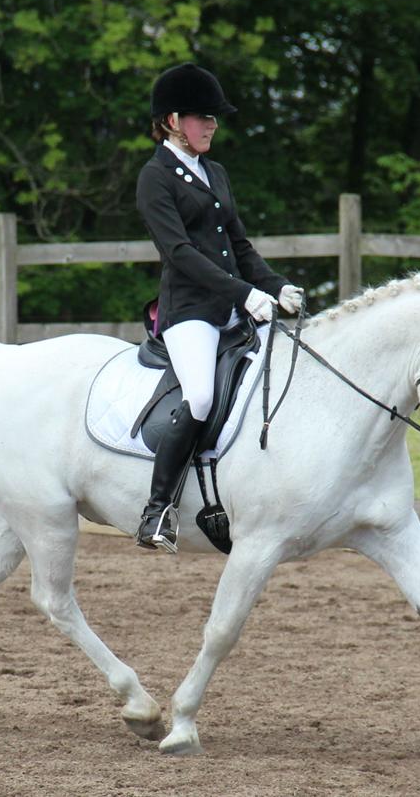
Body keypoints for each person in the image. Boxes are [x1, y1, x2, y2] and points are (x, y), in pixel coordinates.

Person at [135, 62, 304, 553]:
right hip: (189, 313)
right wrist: (244, 295)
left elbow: (239, 246)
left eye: (214, 117)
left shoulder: (216, 172)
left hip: (236, 306)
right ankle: (157, 510)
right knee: (202, 397)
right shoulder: (155, 178)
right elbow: (181, 254)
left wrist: (277, 286)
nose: (212, 124)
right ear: (171, 121)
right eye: (201, 116)